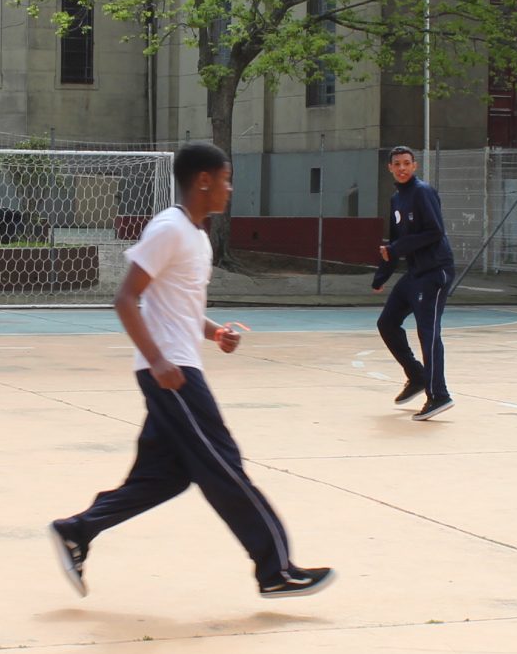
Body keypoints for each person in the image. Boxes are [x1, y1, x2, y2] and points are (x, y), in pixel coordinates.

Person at [48, 143, 332, 601]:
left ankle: (76, 531)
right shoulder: (169, 229)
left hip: (177, 365)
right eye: (226, 179)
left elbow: (178, 307)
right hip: (173, 374)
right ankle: (275, 569)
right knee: (224, 465)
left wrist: (215, 332)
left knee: (163, 478)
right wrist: (158, 360)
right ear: (203, 180)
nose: (230, 188)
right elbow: (125, 298)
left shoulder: (197, 237)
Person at [372, 145, 456, 420]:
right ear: (390, 168)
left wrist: (397, 249)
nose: (402, 168)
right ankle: (417, 376)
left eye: (407, 163)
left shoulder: (422, 192)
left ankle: (439, 395)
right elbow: (395, 243)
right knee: (386, 323)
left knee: (427, 331)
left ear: (415, 166)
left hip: (435, 272)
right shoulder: (397, 199)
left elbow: (435, 231)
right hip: (415, 274)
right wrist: (382, 275)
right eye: (397, 164)